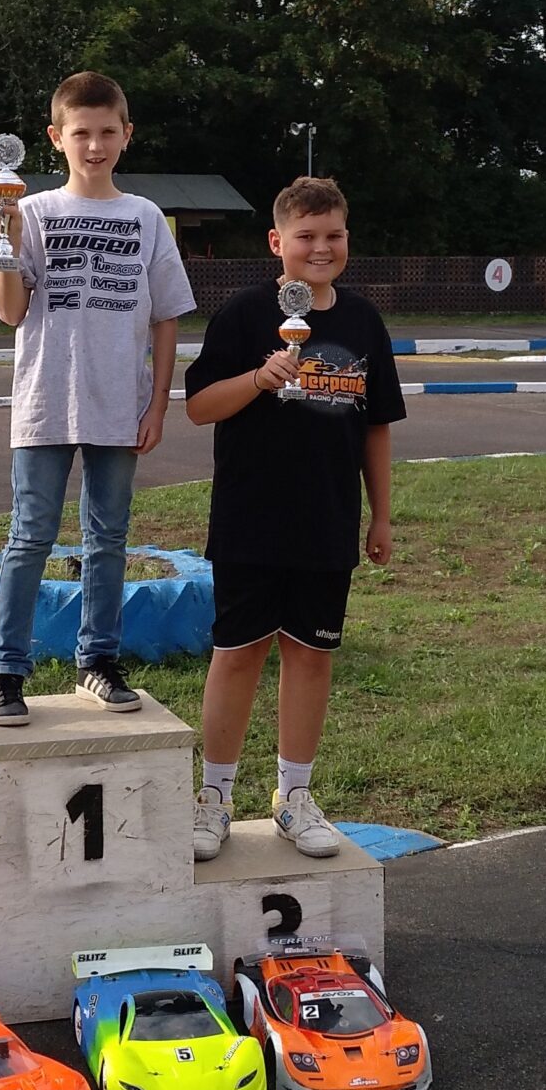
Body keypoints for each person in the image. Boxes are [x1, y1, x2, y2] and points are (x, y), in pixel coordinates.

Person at [180, 176, 404, 861]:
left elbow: (377, 429)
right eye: (306, 236)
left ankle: (294, 796)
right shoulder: (244, 315)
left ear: (347, 240)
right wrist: (258, 378)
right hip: (250, 519)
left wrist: (381, 517)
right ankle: (213, 796)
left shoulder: (364, 322)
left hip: (327, 522)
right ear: (277, 242)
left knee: (311, 658)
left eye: (333, 235)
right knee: (238, 653)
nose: (321, 247)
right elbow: (198, 406)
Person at [0, 71, 196, 727]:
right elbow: (11, 314)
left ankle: (98, 662)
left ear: (126, 135)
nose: (95, 146)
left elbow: (167, 317)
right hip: (46, 402)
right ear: (57, 138)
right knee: (29, 537)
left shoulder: (145, 218)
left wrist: (159, 402)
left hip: (119, 405)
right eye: (82, 134)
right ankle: (5, 672)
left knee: (108, 540)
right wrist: (8, 243)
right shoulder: (35, 212)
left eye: (107, 133)